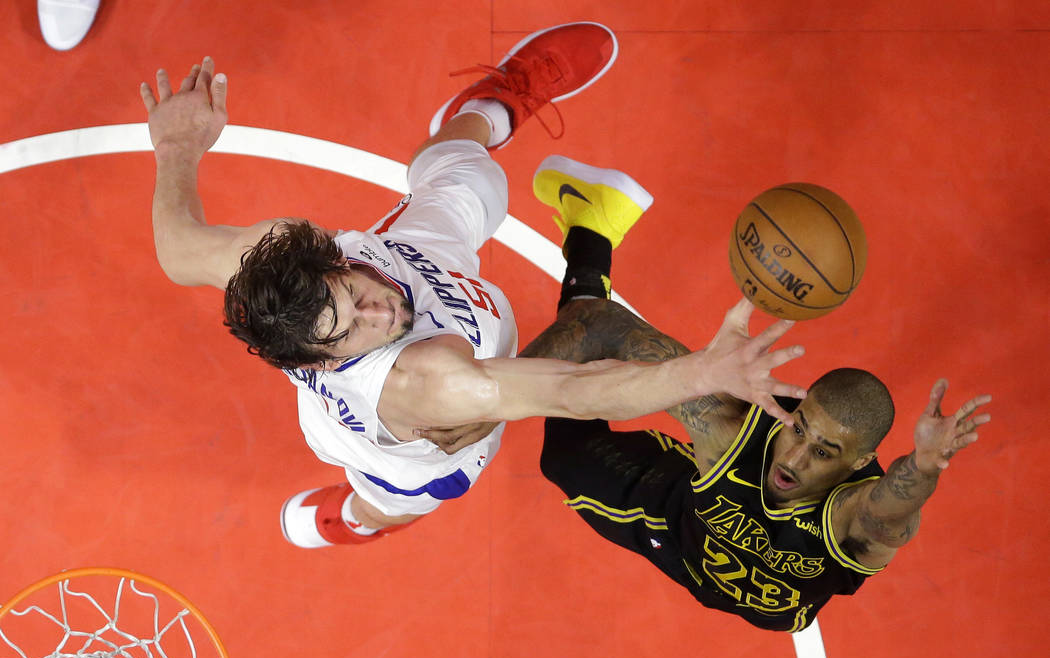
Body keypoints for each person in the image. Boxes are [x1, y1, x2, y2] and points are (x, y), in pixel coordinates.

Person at [139, 24, 806, 548]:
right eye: (355, 329)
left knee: (468, 175)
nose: (377, 310)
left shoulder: (285, 261)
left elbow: (177, 249)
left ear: (328, 262)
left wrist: (176, 147)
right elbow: (575, 391)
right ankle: (354, 523)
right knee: (391, 503)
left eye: (352, 291)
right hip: (419, 438)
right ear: (321, 357)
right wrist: (704, 373)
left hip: (420, 260)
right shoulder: (429, 383)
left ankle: (488, 106)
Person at [517, 156, 993, 631]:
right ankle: (595, 223)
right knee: (562, 454)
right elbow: (601, 326)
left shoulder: (851, 522)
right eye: (799, 429)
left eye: (824, 452)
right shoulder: (733, 430)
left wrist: (926, 465)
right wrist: (484, 400)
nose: (796, 457)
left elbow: (889, 508)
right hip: (673, 526)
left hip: (752, 589)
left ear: (857, 463)